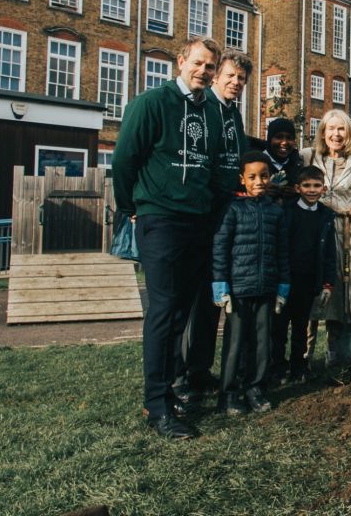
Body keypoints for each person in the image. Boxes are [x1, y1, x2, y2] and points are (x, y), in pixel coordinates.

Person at [112, 36, 224, 439]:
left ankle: (169, 390)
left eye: (210, 67)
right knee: (162, 309)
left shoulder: (211, 110)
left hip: (197, 221)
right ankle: (156, 404)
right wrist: (134, 209)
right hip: (159, 218)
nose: (204, 71)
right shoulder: (151, 102)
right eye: (198, 63)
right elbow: (124, 160)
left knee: (181, 311)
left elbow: (210, 165)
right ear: (181, 61)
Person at [175, 48, 251, 406]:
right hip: (200, 216)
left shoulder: (234, 115)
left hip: (225, 215)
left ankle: (199, 369)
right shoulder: (204, 109)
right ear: (216, 76)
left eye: (241, 79)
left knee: (212, 298)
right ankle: (179, 374)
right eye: (230, 76)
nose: (235, 83)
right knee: (186, 299)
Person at [212, 151, 290, 415]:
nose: (259, 181)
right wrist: (220, 285)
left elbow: (282, 252)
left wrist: (283, 287)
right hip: (238, 290)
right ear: (242, 179)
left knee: (262, 343)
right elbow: (220, 248)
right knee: (235, 343)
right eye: (253, 176)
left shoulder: (275, 212)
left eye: (264, 176)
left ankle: (255, 389)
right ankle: (228, 395)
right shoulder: (233, 209)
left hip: (266, 288)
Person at [301, 109, 351, 366]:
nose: (336, 134)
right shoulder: (309, 157)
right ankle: (305, 354)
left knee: (345, 291)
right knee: (314, 288)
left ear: (349, 132)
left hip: (347, 234)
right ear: (323, 132)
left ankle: (340, 352)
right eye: (331, 129)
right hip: (317, 232)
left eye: (341, 129)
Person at [272, 165, 337, 383]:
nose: (312, 190)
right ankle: (277, 368)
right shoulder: (287, 211)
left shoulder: (326, 215)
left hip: (309, 280)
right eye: (307, 185)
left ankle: (299, 366)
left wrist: (328, 282)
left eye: (316, 185)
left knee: (302, 326)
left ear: (324, 188)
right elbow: (279, 246)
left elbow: (329, 252)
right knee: (279, 327)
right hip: (286, 280)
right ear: (298, 188)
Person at [264, 117, 304, 202]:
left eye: (289, 138)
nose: (284, 142)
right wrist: (262, 191)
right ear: (270, 138)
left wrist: (297, 193)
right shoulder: (257, 162)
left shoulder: (298, 165)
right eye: (279, 137)